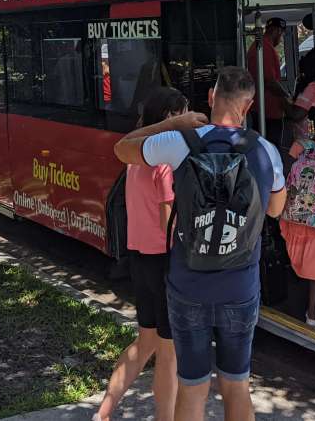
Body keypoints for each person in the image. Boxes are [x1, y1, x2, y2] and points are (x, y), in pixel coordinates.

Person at [114, 67, 287, 421]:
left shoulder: (181, 142)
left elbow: (122, 149)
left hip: (188, 285)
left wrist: (170, 125)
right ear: (249, 104)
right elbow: (275, 209)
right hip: (240, 286)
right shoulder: (265, 150)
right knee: (236, 385)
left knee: (192, 387)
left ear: (211, 97)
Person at [95, 87, 190, 421]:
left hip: (140, 261)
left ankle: (104, 412)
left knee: (145, 342)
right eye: (183, 113)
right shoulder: (164, 161)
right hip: (165, 263)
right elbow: (169, 220)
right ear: (168, 117)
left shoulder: (136, 159)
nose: (188, 120)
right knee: (169, 354)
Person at [281, 48, 315, 326]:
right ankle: (314, 310)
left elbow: (287, 166)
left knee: (305, 259)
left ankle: (306, 307)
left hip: (297, 214)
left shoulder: (303, 144)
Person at [246, 17, 291, 147]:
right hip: (267, 113)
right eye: (281, 34)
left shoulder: (262, 46)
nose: (281, 38)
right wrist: (287, 98)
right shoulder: (263, 48)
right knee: (270, 150)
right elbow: (270, 81)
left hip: (265, 110)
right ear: (277, 31)